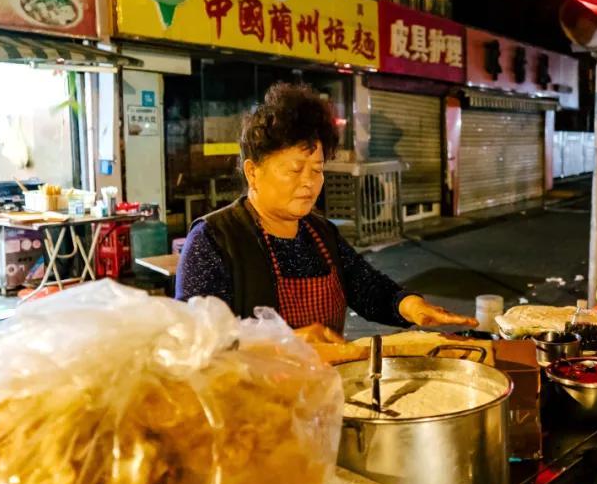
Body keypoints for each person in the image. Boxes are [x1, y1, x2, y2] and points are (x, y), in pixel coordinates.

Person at [176, 83, 475, 342]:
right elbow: (197, 341)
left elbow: (365, 286)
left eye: (317, 170)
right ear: (253, 172)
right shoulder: (214, 240)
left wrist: (410, 305)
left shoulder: (320, 233)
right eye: (295, 169)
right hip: (252, 403)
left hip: (322, 395)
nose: (309, 181)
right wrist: (284, 342)